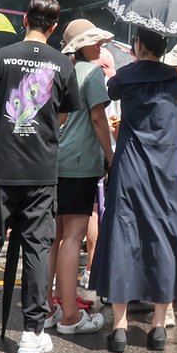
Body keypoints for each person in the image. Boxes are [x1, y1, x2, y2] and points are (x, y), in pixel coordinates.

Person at [0, 0, 80, 353]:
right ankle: (32, 331)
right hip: (41, 171)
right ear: (54, 26)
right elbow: (61, 119)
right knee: (38, 248)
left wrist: (6, 132)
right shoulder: (63, 64)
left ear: (25, 18)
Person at [90, 31, 177, 353]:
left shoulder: (125, 76)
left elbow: (108, 93)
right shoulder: (176, 78)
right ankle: (158, 326)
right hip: (165, 171)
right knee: (164, 237)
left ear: (138, 45)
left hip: (130, 168)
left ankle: (120, 327)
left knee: (124, 236)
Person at [48, 19, 113, 335]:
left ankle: (49, 305)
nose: (100, 46)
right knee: (74, 236)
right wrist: (111, 157)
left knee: (55, 237)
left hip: (54, 161)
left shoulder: (61, 70)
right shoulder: (94, 74)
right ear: (82, 45)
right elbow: (99, 118)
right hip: (80, 162)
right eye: (95, 42)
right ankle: (71, 315)